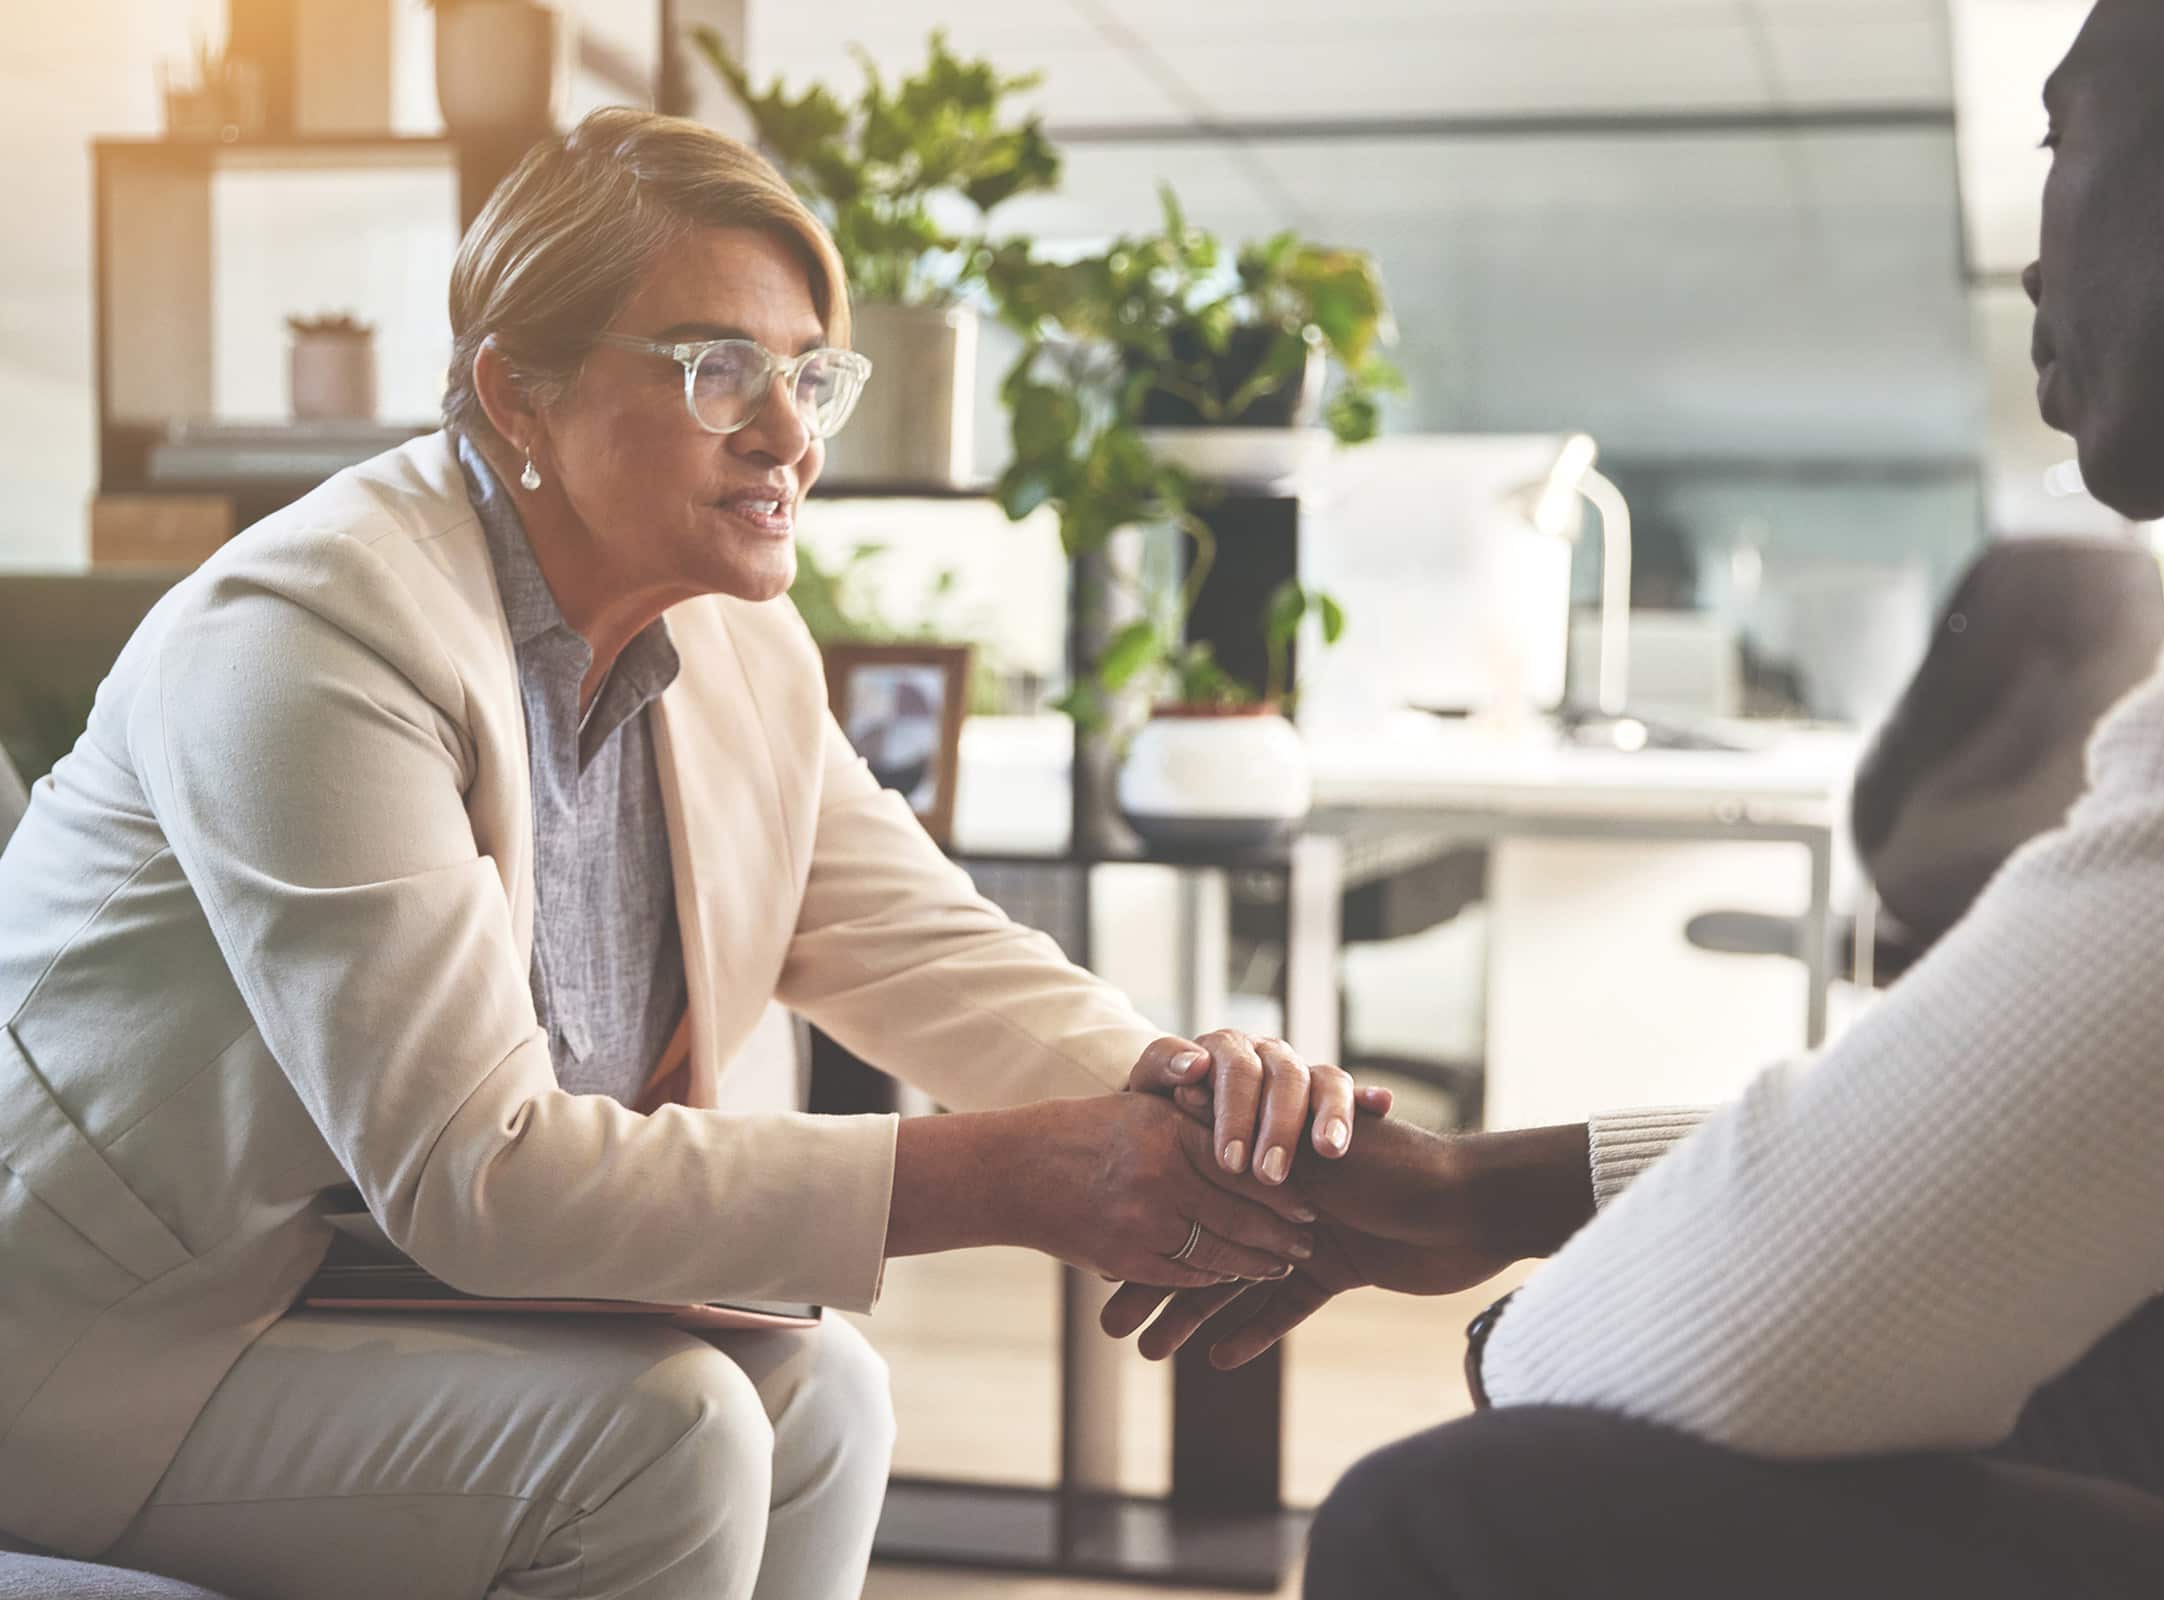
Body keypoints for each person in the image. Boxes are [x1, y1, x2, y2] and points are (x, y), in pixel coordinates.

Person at [0, 109, 1383, 1600]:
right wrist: (1010, 1179)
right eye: (719, 367)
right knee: (664, 1433)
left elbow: (920, 945)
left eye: (810, 375)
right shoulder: (309, 642)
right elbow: (487, 1178)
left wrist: (1185, 1100)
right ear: (514, 393)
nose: (789, 432)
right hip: (99, 1349)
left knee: (826, 1395)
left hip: (348, 1290)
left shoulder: (735, 641)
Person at [1113, 1, 2164, 1591]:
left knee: (1456, 1517)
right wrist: (1483, 1188)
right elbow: (2156, 1176)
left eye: (2064, 139)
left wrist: (1547, 1301)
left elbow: (1699, 1336)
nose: (2039, 269)